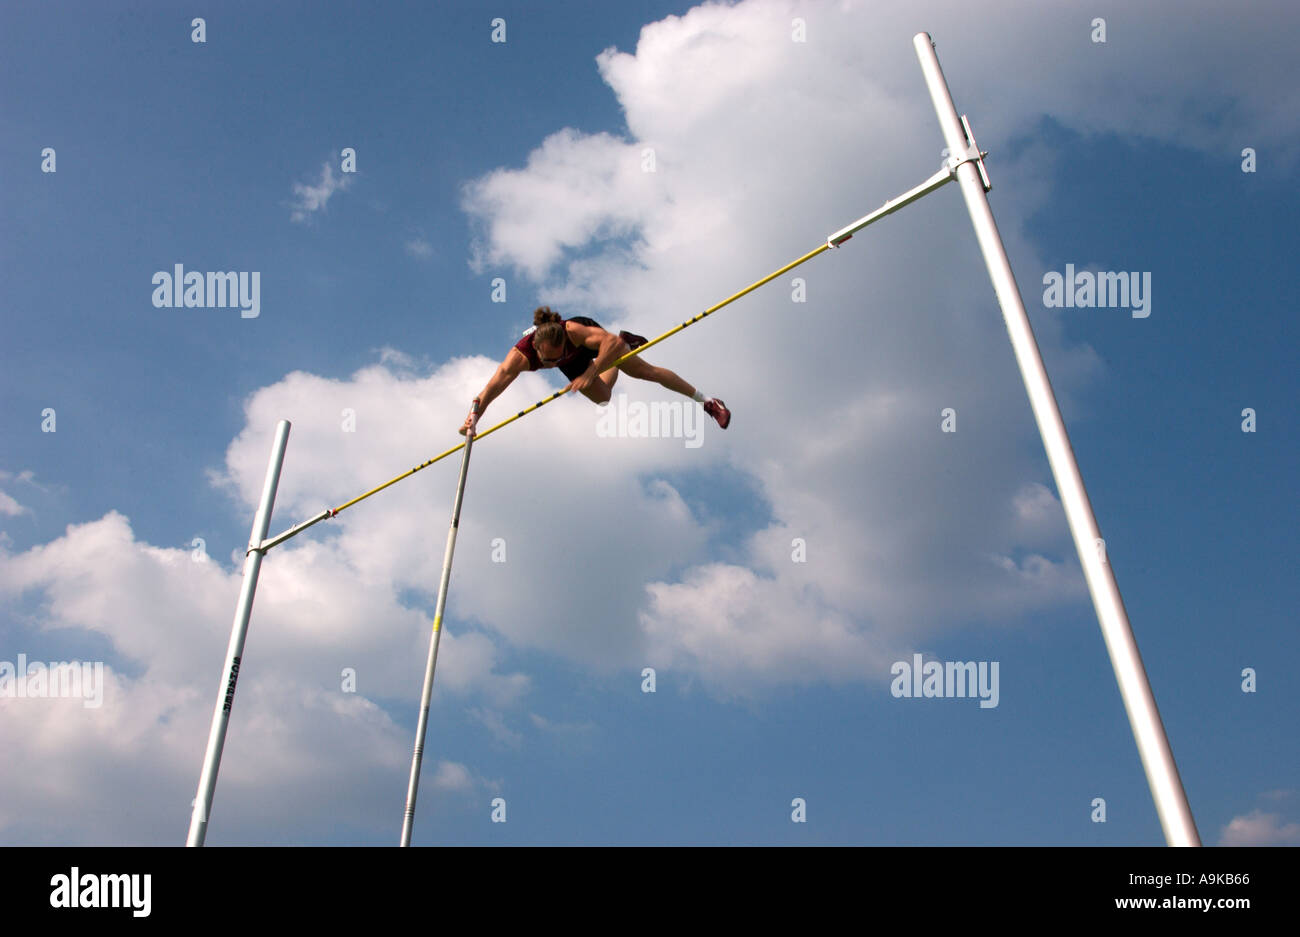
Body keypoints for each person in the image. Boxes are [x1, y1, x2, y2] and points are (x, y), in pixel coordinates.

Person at [460, 307, 730, 436]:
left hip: (601, 344)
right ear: (538, 352)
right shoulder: (519, 358)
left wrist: (593, 369)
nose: (554, 363)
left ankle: (708, 402)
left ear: (564, 343)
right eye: (549, 361)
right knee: (603, 397)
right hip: (578, 362)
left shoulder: (575, 331)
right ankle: (612, 358)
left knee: (644, 372)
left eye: (558, 356)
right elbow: (490, 389)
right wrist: (474, 418)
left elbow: (609, 342)